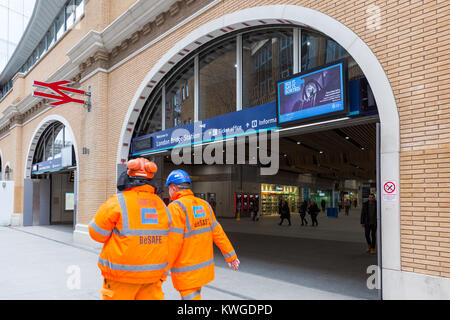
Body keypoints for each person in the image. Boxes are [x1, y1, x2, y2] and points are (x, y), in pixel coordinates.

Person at [88, 158, 171, 300]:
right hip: (153, 277)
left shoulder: (117, 202)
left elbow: (96, 234)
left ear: (127, 176)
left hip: (121, 278)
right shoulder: (161, 205)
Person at [165, 170, 240, 300]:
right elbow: (218, 233)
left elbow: (173, 243)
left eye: (169, 189)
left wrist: (162, 271)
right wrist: (231, 256)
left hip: (186, 272)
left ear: (173, 188)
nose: (169, 192)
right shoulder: (204, 205)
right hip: (203, 268)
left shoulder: (175, 208)